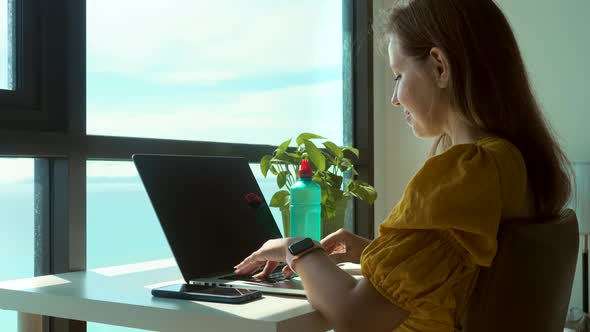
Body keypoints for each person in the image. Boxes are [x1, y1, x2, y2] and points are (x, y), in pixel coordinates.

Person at [234, 0, 572, 331]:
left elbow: (357, 317)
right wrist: (374, 253)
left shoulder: (467, 171)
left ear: (440, 66)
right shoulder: (511, 162)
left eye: (398, 75)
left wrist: (295, 248)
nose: (394, 98)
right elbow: (469, 279)